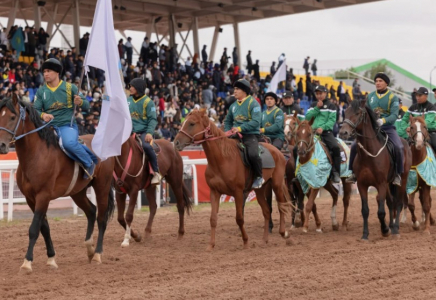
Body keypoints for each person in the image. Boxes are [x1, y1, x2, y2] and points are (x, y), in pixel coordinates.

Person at [34, 58, 97, 179]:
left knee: (68, 144)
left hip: (67, 125)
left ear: (57, 72)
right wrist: (43, 115)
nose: (45, 74)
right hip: (47, 126)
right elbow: (35, 110)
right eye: (44, 71)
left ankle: (89, 162)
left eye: (48, 71)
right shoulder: (41, 91)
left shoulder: (71, 88)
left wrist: (80, 102)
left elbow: (87, 105)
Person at [346, 73, 403, 186]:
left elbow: (394, 115)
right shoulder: (370, 96)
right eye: (376, 81)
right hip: (372, 129)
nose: (378, 83)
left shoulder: (393, 97)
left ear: (386, 83)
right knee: (353, 146)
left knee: (399, 147)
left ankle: (397, 174)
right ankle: (352, 173)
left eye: (380, 81)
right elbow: (365, 113)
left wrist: (383, 121)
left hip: (388, 128)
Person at [224, 79, 263, 189]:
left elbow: (256, 122)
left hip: (250, 135)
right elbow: (228, 121)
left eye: (237, 89)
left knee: (253, 154)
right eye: (234, 89)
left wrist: (240, 128)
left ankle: (259, 176)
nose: (234, 91)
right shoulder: (233, 106)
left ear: (244, 91)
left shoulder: (254, 103)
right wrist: (227, 131)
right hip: (235, 135)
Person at [127, 78, 162, 184]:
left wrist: (149, 133)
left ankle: (156, 172)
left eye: (132, 86)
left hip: (143, 133)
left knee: (147, 146)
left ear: (139, 88)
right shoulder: (127, 100)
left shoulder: (149, 102)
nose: (130, 88)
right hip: (128, 133)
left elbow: (153, 119)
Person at [305, 85, 341, 183]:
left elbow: (332, 120)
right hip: (311, 133)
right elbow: (307, 118)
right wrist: (317, 108)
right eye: (317, 93)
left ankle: (336, 172)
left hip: (325, 133)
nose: (319, 95)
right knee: (298, 148)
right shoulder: (313, 105)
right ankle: (299, 171)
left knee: (335, 148)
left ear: (325, 93)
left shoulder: (331, 106)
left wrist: (323, 128)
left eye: (321, 93)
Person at [398, 87, 436, 152]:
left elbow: (427, 122)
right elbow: (404, 119)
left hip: (430, 132)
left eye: (420, 95)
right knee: (402, 147)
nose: (417, 97)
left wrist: (416, 127)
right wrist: (406, 127)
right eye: (416, 95)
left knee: (435, 145)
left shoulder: (431, 107)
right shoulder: (412, 107)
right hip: (414, 133)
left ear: (426, 96)